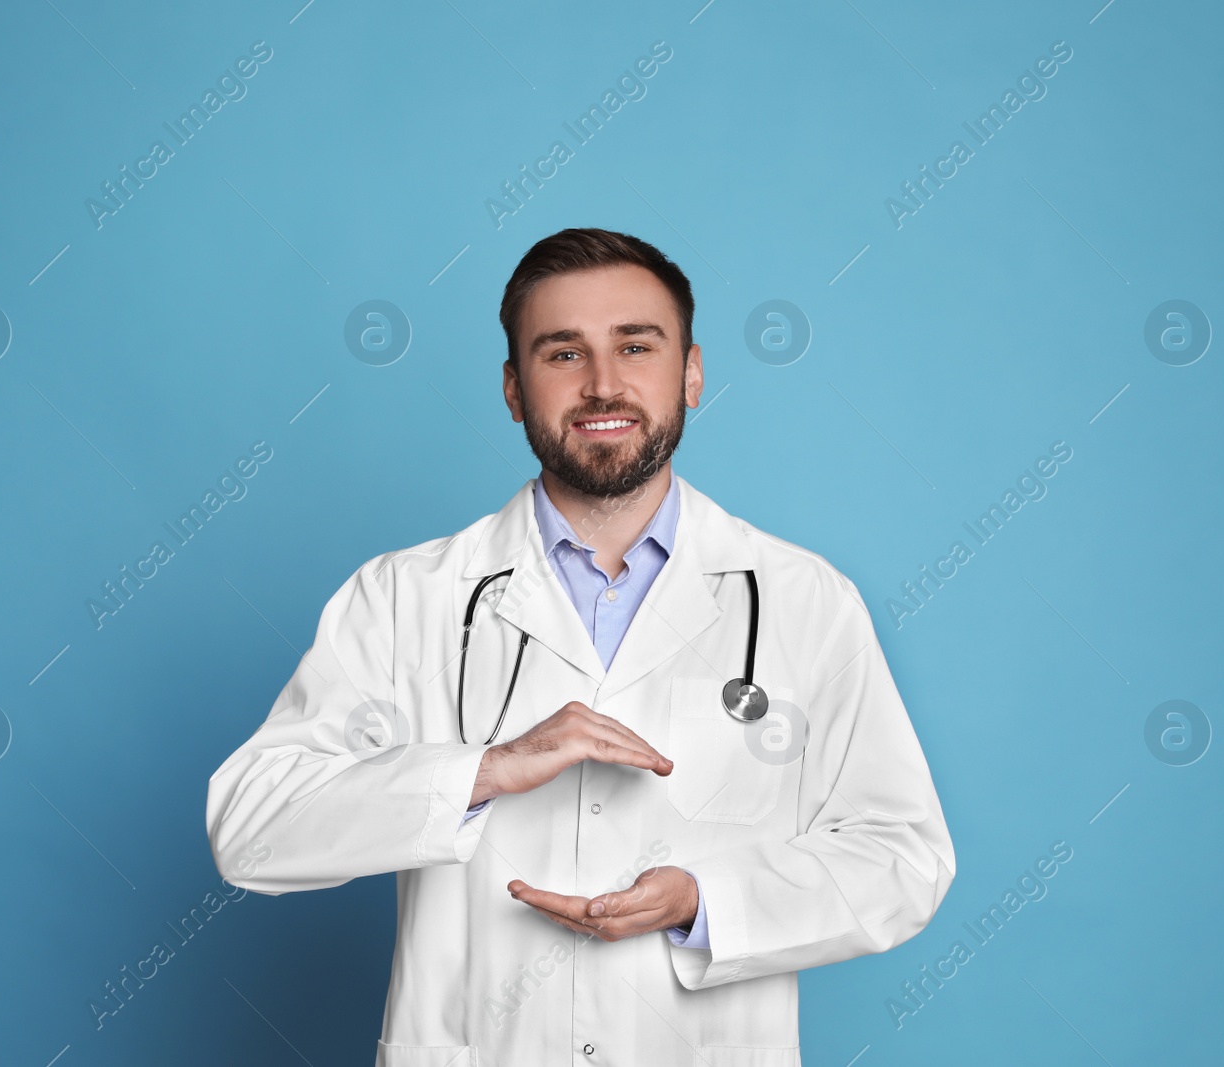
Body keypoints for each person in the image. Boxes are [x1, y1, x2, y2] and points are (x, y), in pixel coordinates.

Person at [206, 227, 956, 1065]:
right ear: (513, 389)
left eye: (636, 345)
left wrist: (703, 903)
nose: (604, 384)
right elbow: (250, 827)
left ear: (693, 373)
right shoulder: (404, 597)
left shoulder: (803, 600)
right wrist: (485, 768)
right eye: (563, 353)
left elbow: (902, 858)